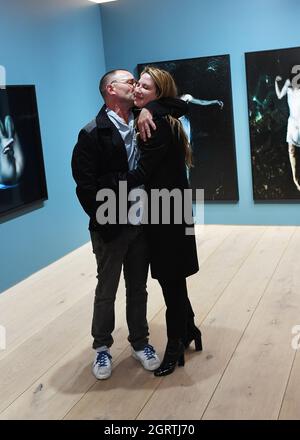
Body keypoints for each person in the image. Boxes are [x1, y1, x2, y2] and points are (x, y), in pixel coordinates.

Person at [71, 69, 186, 380]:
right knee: (106, 289)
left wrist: (151, 107)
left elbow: (180, 104)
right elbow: (86, 188)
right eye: (129, 81)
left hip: (141, 223)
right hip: (110, 224)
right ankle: (102, 349)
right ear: (111, 88)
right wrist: (113, 204)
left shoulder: (140, 116)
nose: (135, 85)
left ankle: (140, 342)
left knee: (138, 288)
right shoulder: (93, 132)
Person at [101, 67, 202, 377]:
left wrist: (103, 185)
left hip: (167, 213)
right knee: (174, 279)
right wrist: (152, 107)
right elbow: (181, 103)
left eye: (146, 87)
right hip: (170, 210)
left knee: (171, 282)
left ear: (159, 95)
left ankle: (175, 346)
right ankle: (189, 328)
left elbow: (141, 174)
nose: (139, 90)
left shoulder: (156, 124)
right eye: (137, 85)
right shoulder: (158, 115)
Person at [275, 74, 300, 191]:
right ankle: (295, 179)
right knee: (291, 150)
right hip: (293, 122)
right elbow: (280, 95)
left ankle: (295, 179)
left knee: (292, 150)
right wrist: (276, 82)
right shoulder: (288, 84)